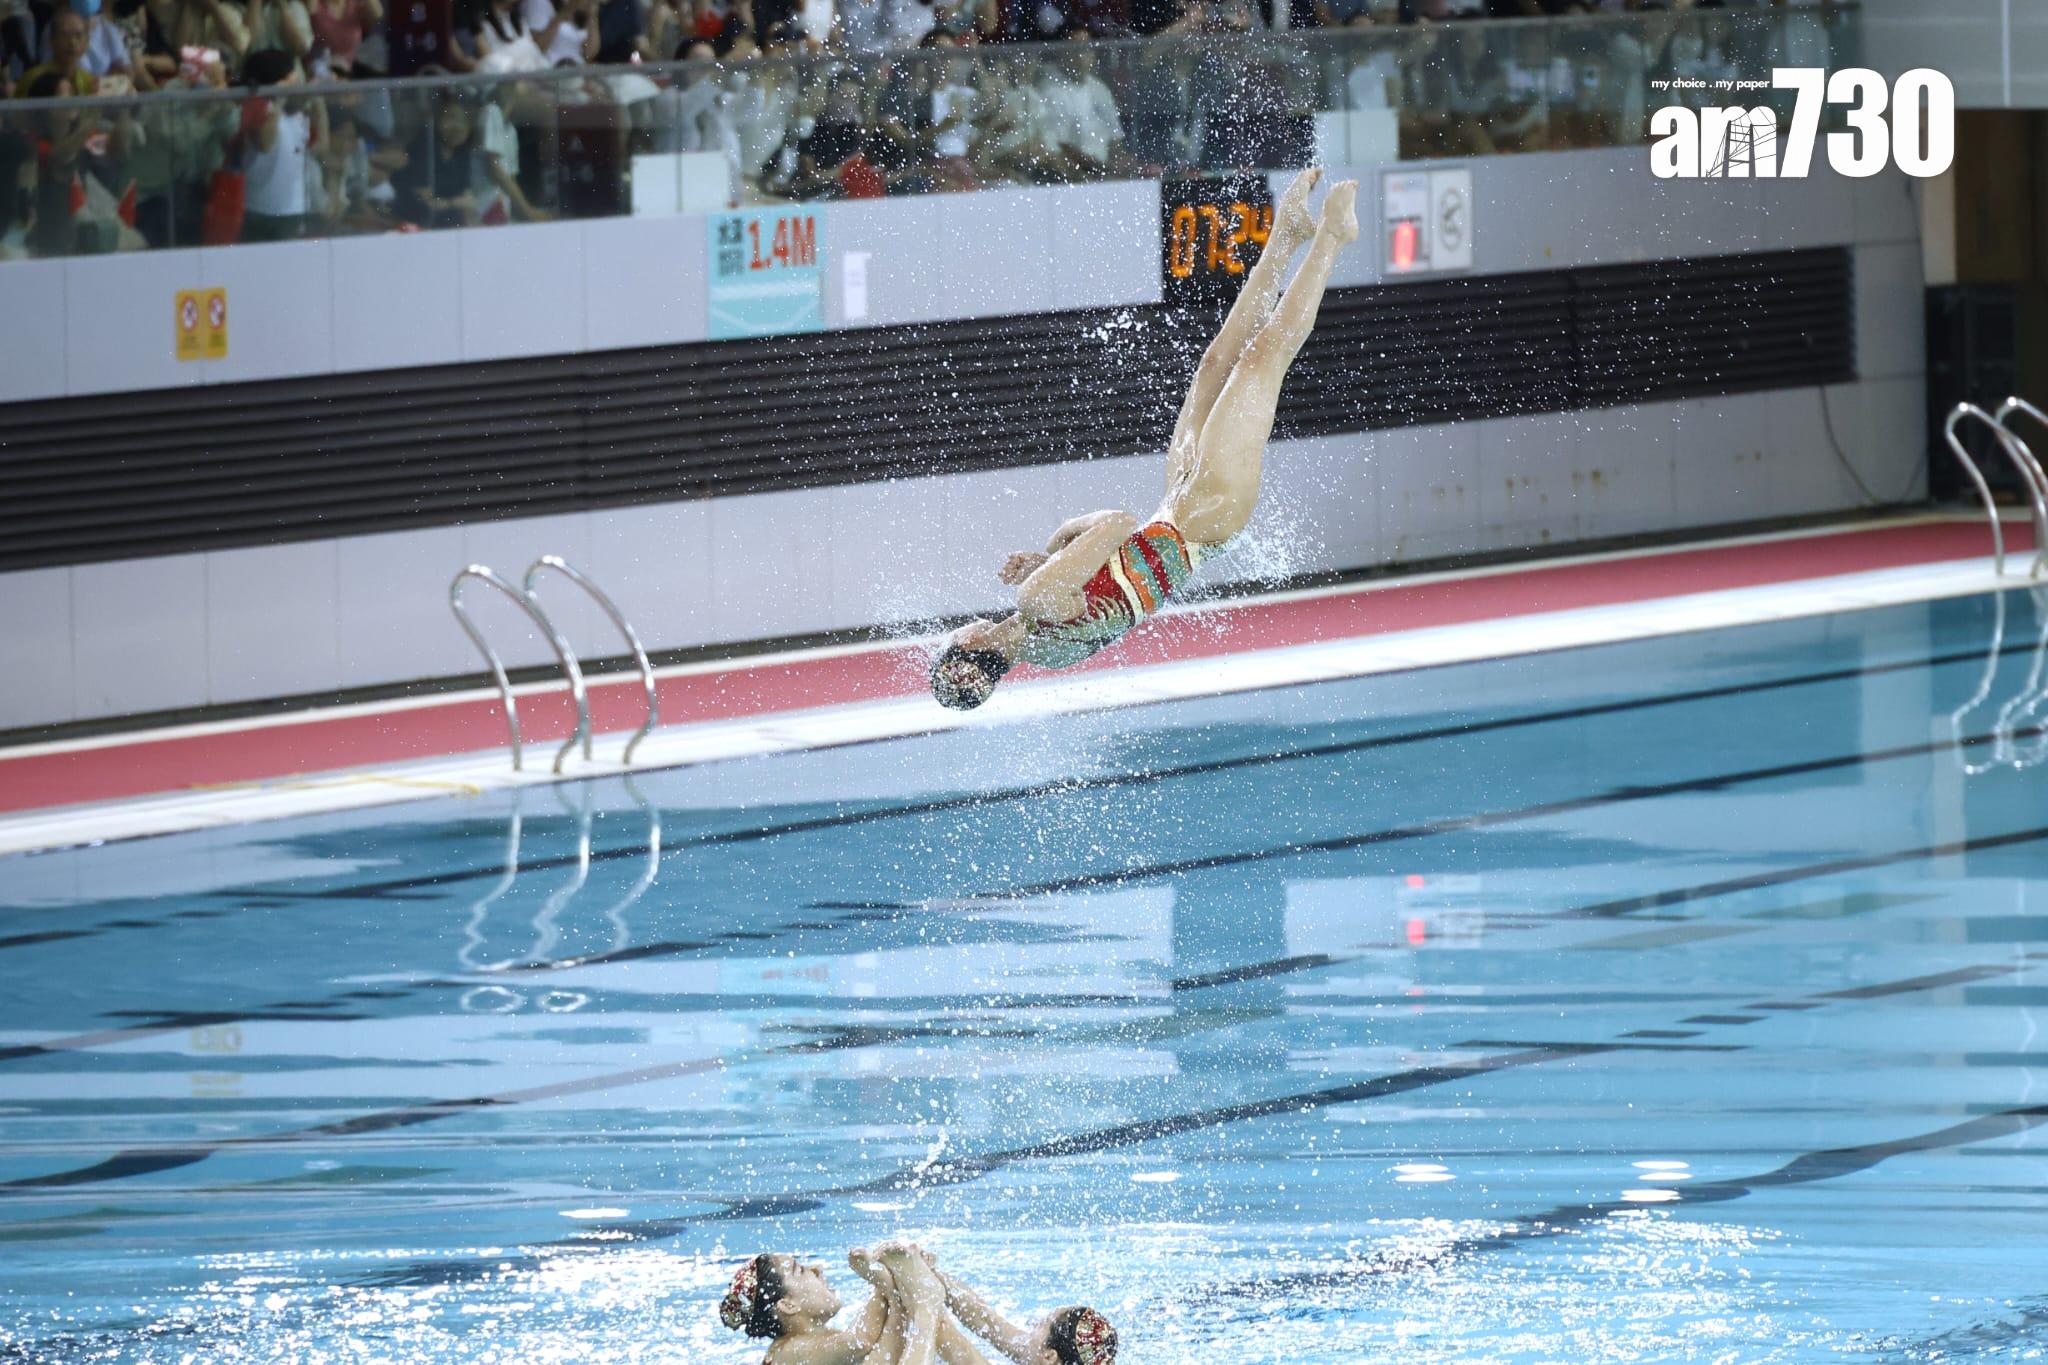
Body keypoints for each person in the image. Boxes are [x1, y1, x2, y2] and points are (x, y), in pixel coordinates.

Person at [929, 167, 1358, 710]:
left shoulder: (1047, 654)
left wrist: (1048, 560)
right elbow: (1116, 525)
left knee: (1213, 365)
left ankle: (1287, 233)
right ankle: (1332, 238)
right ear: (966, 641)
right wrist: (1059, 540)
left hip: (1183, 514)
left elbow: (1092, 593)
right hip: (1199, 512)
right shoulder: (1034, 599)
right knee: (1259, 360)